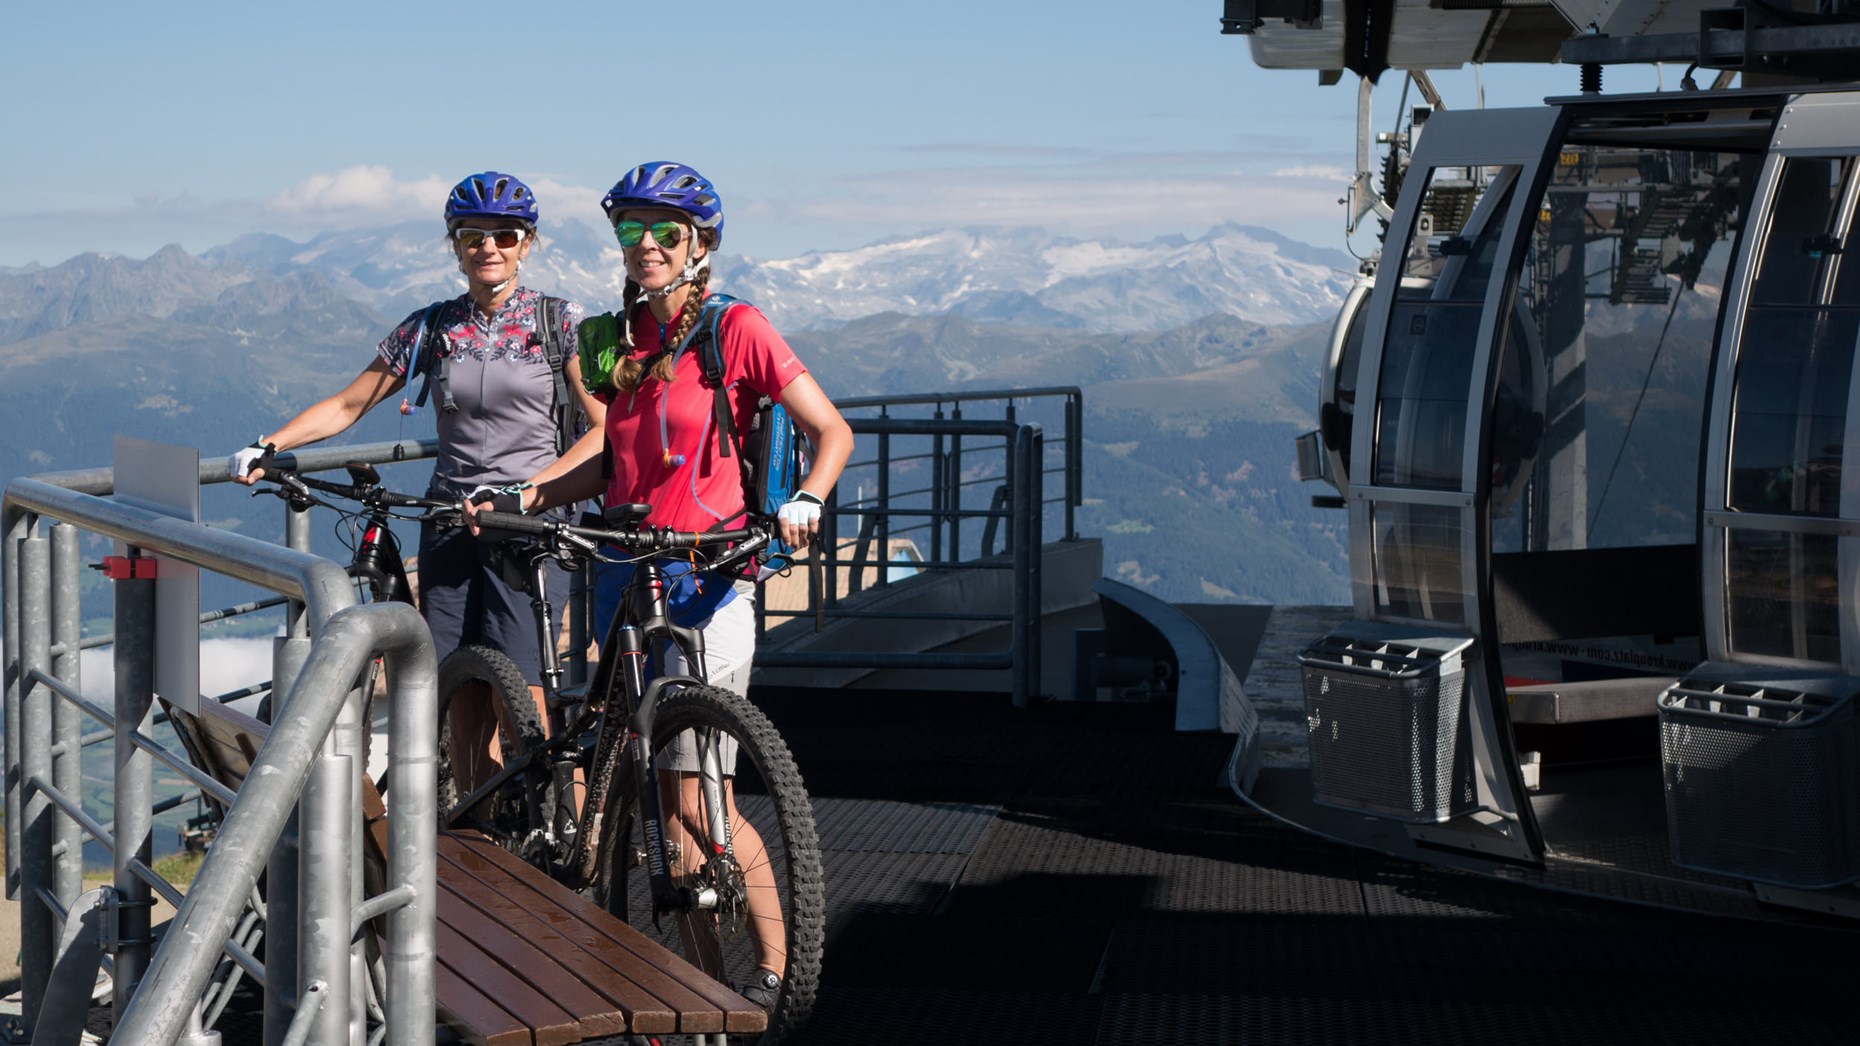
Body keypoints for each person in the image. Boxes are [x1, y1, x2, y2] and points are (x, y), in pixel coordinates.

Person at [466, 161, 852, 1007]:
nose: (645, 246)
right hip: (622, 571)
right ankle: (682, 982)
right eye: (630, 230)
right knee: (637, 781)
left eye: (663, 231)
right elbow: (613, 457)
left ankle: (777, 978)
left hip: (705, 579)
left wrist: (810, 499)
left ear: (700, 244)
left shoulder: (736, 329)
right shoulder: (619, 338)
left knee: (698, 802)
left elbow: (831, 431)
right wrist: (527, 496)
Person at [227, 171, 606, 789]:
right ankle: (480, 837)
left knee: (527, 694)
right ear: (454, 244)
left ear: (527, 242)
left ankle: (558, 835)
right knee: (458, 688)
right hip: (450, 519)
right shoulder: (431, 328)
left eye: (504, 235)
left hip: (530, 521)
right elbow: (349, 405)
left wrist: (534, 491)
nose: (489, 247)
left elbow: (604, 426)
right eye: (473, 235)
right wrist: (269, 444)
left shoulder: (558, 321)